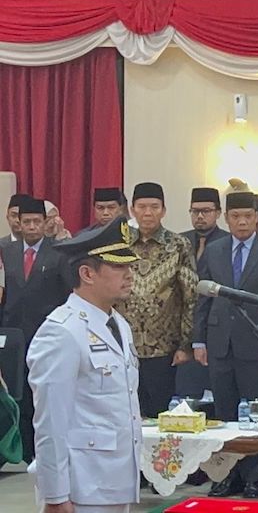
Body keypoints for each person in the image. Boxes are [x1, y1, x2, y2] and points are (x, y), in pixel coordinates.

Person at [27, 216, 142, 513]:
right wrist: (55, 494)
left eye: (130, 266)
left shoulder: (118, 323)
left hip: (117, 478)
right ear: (87, 274)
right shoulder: (62, 331)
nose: (129, 274)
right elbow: (50, 421)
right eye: (118, 267)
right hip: (82, 484)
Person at [193, 192, 258, 499]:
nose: (242, 222)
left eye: (248, 216)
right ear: (227, 218)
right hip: (219, 342)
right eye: (236, 216)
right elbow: (203, 299)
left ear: (257, 218)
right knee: (224, 413)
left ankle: (251, 478)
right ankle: (225, 476)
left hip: (255, 343)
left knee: (253, 414)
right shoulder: (214, 250)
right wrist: (198, 340)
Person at [116, 182, 197, 419]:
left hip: (164, 347)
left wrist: (185, 345)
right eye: (142, 207)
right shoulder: (119, 245)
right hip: (123, 344)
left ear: (163, 210)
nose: (148, 213)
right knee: (126, 413)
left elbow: (190, 296)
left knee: (159, 415)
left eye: (154, 207)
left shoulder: (178, 245)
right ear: (132, 210)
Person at [1, 196, 72, 464]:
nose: (31, 227)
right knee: (17, 393)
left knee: (43, 394)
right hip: (13, 337)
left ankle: (41, 449)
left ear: (45, 223)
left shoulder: (59, 252)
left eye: (37, 222)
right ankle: (20, 450)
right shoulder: (6, 251)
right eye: (27, 221)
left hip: (47, 335)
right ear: (18, 223)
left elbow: (68, 294)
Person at [181, 187, 229, 264]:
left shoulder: (229, 241)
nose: (200, 216)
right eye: (195, 211)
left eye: (206, 211)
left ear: (218, 213)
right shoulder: (181, 240)